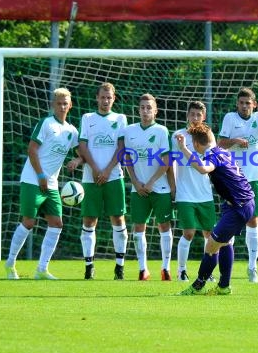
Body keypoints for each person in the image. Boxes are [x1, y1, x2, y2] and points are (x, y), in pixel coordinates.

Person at [4, 87, 81, 280]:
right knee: (28, 222)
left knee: (56, 223)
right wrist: (40, 175)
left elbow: (81, 154)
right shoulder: (46, 123)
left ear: (70, 105)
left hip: (53, 184)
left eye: (66, 103)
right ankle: (10, 264)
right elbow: (32, 149)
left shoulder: (72, 131)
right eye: (59, 103)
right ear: (52, 105)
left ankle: (42, 269)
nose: (62, 106)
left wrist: (77, 161)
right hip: (32, 180)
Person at [176, 122, 255, 296]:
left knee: (211, 246)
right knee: (224, 242)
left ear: (196, 144)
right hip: (240, 203)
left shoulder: (213, 155)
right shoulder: (222, 151)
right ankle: (224, 286)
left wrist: (183, 149)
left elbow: (204, 169)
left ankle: (198, 286)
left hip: (239, 205)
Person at [218, 87, 258, 283]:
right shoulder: (230, 118)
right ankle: (226, 267)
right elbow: (220, 143)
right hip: (233, 179)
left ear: (254, 104)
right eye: (242, 103)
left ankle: (252, 267)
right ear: (237, 104)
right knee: (231, 221)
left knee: (253, 221)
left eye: (248, 103)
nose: (245, 106)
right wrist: (235, 141)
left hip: (254, 179)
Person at [119, 93, 174, 281]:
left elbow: (166, 161)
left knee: (164, 226)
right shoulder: (129, 131)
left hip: (160, 189)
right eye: (142, 108)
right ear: (138, 110)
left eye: (149, 108)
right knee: (138, 227)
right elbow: (127, 159)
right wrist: (135, 181)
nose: (145, 111)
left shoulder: (161, 131)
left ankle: (165, 268)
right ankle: (143, 269)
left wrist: (151, 181)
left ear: (155, 111)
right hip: (138, 188)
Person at [77, 82, 128, 280]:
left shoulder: (120, 118)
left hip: (114, 176)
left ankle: (119, 267)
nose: (106, 101)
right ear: (97, 98)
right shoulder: (87, 118)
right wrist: (96, 169)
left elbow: (121, 147)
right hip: (91, 178)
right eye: (103, 97)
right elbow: (82, 146)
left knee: (118, 218)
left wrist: (107, 170)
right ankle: (89, 267)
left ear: (113, 99)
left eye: (109, 97)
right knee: (90, 220)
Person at [171, 101, 216, 281]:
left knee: (210, 235)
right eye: (192, 114)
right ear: (187, 115)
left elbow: (209, 162)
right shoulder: (177, 135)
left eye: (199, 115)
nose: (195, 118)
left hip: (204, 192)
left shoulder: (208, 135)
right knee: (188, 232)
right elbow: (171, 163)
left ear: (203, 117)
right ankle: (181, 270)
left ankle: (208, 271)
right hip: (185, 193)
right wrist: (173, 186)